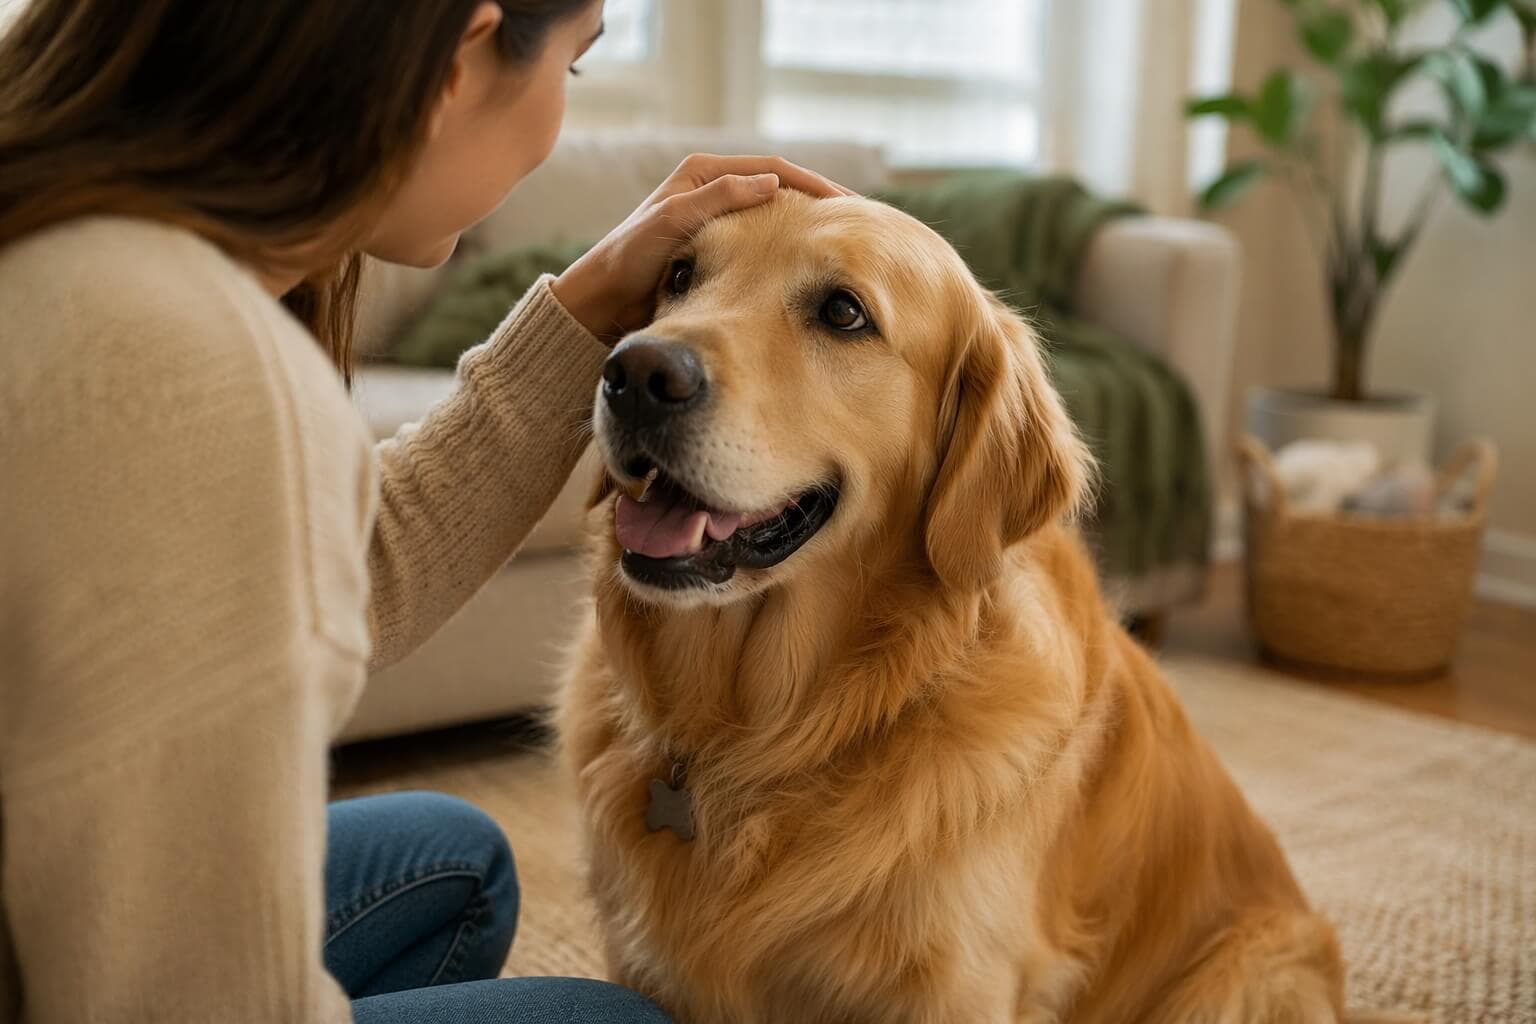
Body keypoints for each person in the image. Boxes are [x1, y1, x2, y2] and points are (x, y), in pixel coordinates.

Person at [0, 1, 848, 1020]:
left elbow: (333, 571)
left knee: (451, 861)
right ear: (462, 53)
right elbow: (178, 997)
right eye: (571, 71)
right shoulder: (193, 367)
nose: (554, 126)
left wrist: (582, 313)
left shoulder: (71, 242)